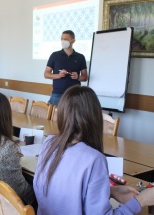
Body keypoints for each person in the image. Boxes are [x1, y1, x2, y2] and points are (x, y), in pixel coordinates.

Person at [33, 85, 154, 214]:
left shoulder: (49, 142)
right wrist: (140, 201)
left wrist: (110, 191)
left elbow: (65, 192)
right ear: (94, 118)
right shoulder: (94, 159)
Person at [44, 30, 88, 105]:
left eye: (66, 39)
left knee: (73, 116)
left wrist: (78, 77)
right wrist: (59, 75)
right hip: (57, 94)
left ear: (73, 41)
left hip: (75, 94)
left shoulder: (80, 57)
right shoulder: (54, 55)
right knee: (55, 116)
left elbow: (85, 77)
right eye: (62, 39)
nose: (63, 41)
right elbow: (46, 74)